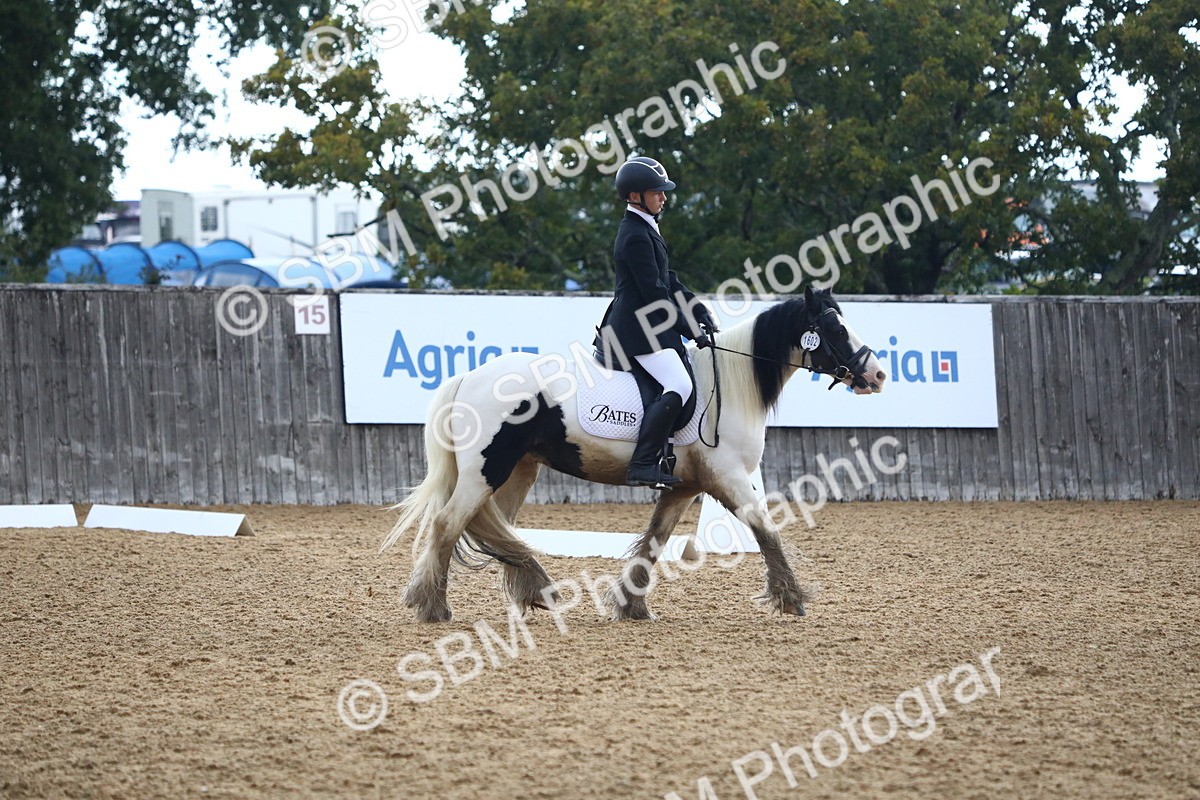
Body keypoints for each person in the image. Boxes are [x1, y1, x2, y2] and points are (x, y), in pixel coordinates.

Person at [605, 156, 718, 488]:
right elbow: (655, 292)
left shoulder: (645, 228)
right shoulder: (635, 235)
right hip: (635, 331)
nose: (664, 197)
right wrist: (689, 331)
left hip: (651, 325)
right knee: (680, 386)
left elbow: (668, 279)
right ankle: (641, 463)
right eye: (657, 192)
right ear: (635, 196)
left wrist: (698, 310)